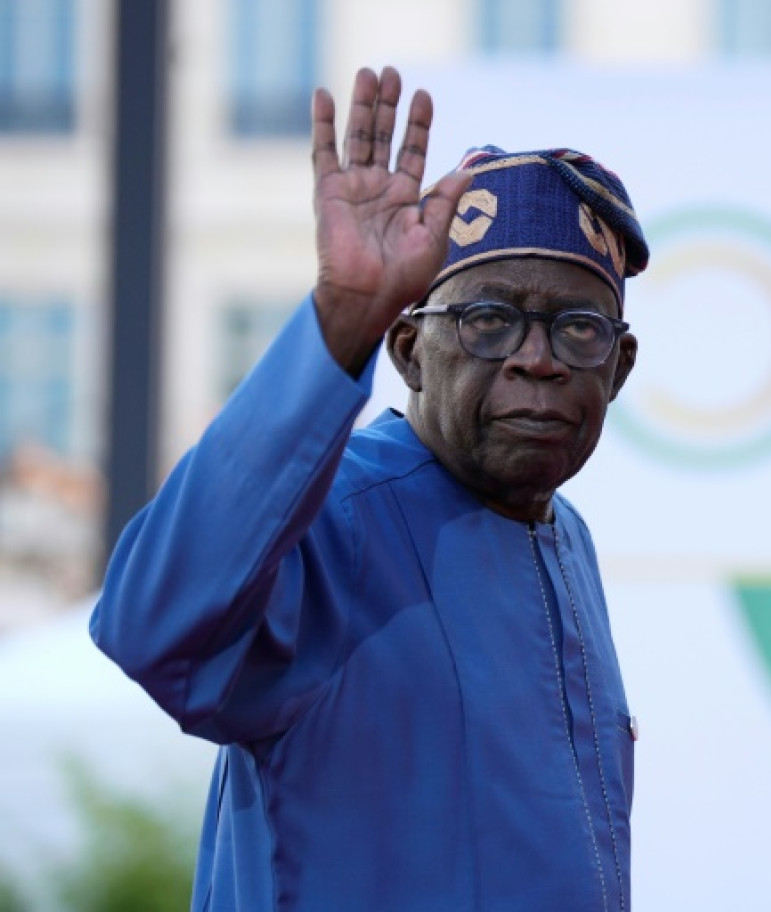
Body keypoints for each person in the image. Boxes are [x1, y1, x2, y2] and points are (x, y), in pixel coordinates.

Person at [91, 66, 647, 911]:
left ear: (619, 367)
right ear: (407, 351)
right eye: (489, 320)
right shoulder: (335, 520)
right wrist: (339, 316)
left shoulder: (566, 536)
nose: (537, 357)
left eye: (577, 329)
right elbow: (147, 628)